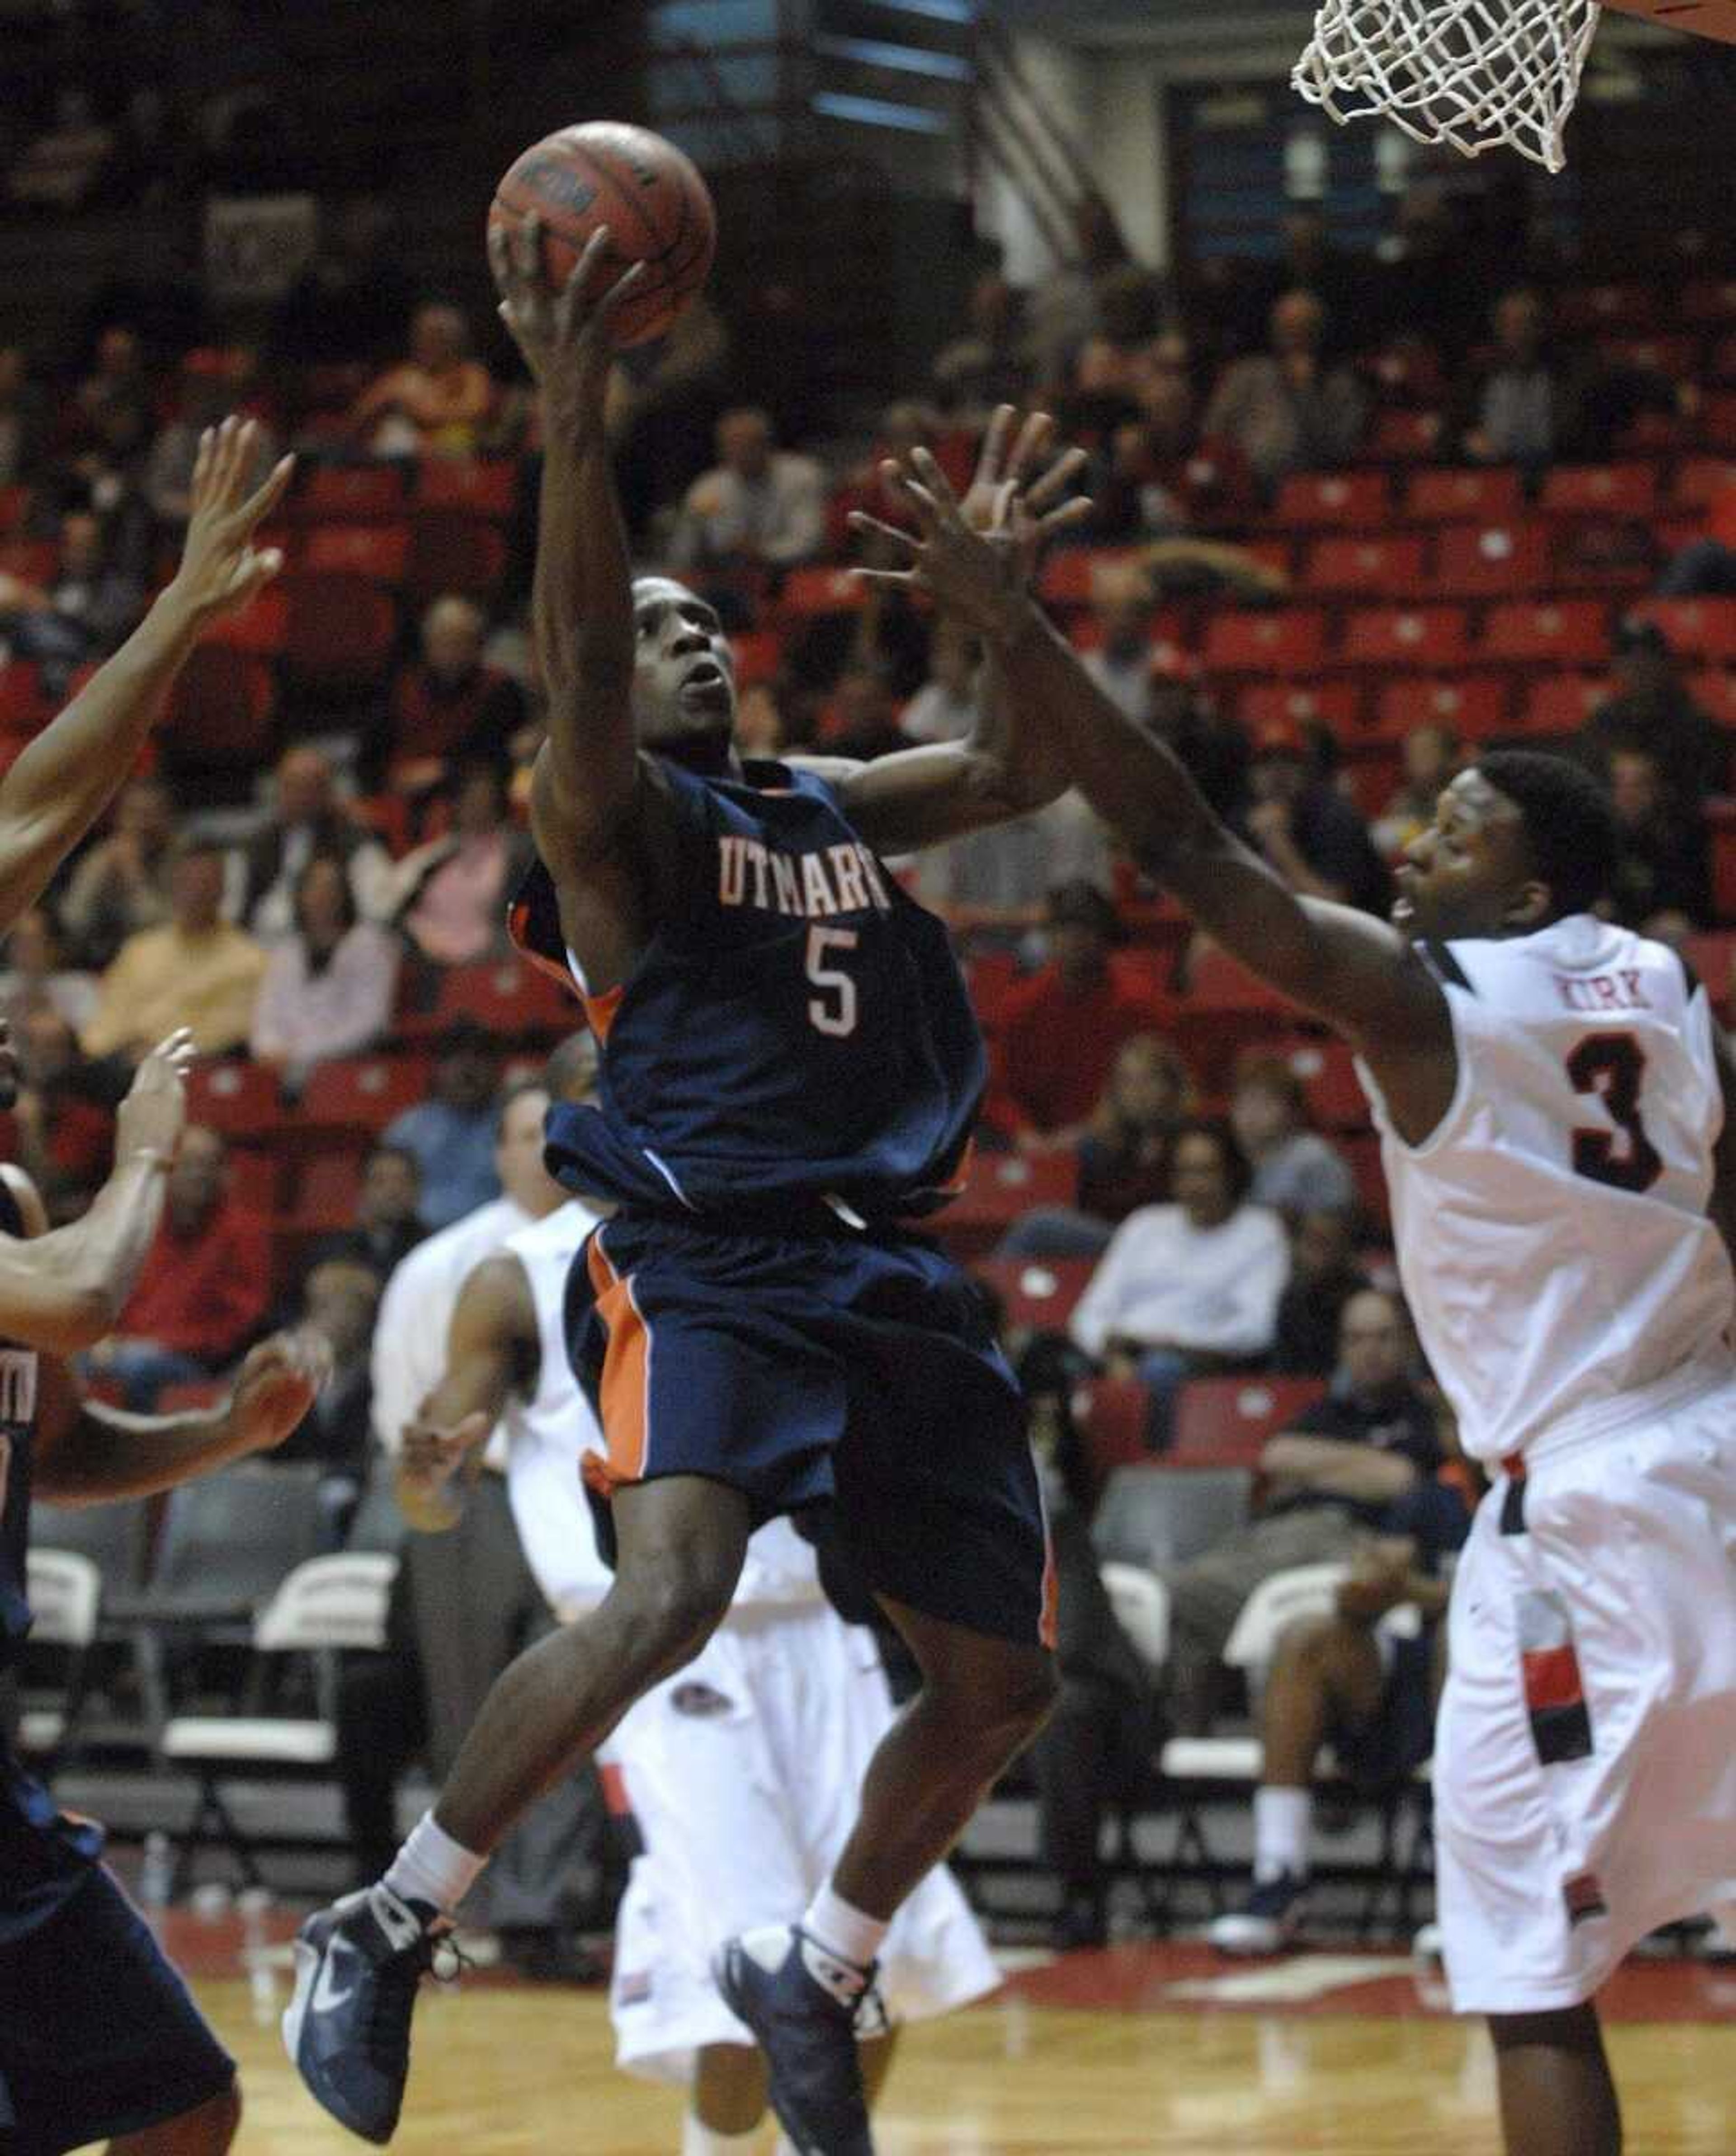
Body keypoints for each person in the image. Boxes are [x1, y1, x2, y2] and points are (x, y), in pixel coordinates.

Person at [283, 236, 1084, 2155]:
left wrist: (1005, 613)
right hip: (706, 1258)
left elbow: (1017, 766)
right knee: (675, 1587)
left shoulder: (819, 799)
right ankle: (394, 1911)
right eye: (655, 630)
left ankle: (816, 1957)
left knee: (998, 1680)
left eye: (704, 622)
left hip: (886, 1269)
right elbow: (569, 671)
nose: (692, 638)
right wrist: (572, 423)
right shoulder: (623, 830)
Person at [868, 451, 1736, 2156]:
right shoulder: (1669, 986)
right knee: (1550, 1943)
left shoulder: (1437, 1008)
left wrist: (1020, 626)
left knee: (1532, 1971)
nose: (1421, 842)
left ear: (1532, 882)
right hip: (1690, 1462)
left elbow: (1182, 841)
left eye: (1462, 825)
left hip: (1595, 1519)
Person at [390, 1194, 999, 2150]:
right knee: (736, 1951)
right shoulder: (519, 1274)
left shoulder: (779, 1228)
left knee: (872, 1948)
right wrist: (433, 1474)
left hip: (822, 1630)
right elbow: (430, 1493)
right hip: (659, 1649)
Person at [0, 1026, 326, 2156]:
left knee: (182, 2100)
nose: (11, 1027)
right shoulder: (54, 1246)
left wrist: (224, 1433)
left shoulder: (9, 1205)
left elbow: (55, 1450)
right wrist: (143, 1156)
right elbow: (93, 1291)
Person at [363, 1049, 614, 1984]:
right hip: (480, 1498)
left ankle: (544, 1907)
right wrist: (430, 1474)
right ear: (505, 1152)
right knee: (474, 1715)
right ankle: (455, 1901)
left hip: (587, 1498)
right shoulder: (457, 1262)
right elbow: (409, 1404)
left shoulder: (646, 1240)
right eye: (522, 1135)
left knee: (570, 1713)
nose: (540, 1149)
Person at [1207, 1539, 1452, 1955]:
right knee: (1305, 1639)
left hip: (1502, 1674)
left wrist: (1419, 1592)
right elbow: (1360, 1595)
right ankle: (1280, 1876)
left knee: (1464, 1631)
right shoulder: (1428, 1495)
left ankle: (1465, 1893)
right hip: (1395, 1674)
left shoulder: (1551, 1485)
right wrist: (1372, 1589)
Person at [1068, 1119, 1290, 1445]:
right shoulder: (1145, 1225)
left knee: (1161, 1368)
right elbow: (1088, 1315)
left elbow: (1257, 1328)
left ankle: (1148, 1473)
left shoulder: (1259, 1231)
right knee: (1046, 1361)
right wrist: (1110, 1355)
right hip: (1120, 1351)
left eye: (1206, 1171)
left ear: (1231, 1173)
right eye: (1185, 1172)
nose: (1195, 1184)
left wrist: (1174, 1343)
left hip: (1200, 1361)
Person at [84, 1124, 272, 1411]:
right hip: (130, 1350)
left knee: (139, 1367)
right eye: (187, 1164)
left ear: (224, 1174)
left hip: (200, 1366)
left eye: (207, 1165)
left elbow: (237, 1328)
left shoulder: (243, 1233)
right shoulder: (144, 1226)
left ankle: (146, 1454)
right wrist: (105, 1340)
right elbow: (113, 1301)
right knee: (71, 1360)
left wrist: (161, 1344)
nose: (197, 1174)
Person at [982, 882, 1171, 1149]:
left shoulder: (1138, 1003)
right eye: (1064, 928)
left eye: (1087, 929)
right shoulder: (1020, 1006)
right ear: (1050, 937)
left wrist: (1096, 1131)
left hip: (1117, 1138)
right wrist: (1025, 1134)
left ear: (1106, 937)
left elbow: (1163, 1082)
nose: (1075, 939)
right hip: (1035, 1144)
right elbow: (999, 1092)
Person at [81, 836, 268, 1065]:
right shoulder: (139, 950)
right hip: (124, 1063)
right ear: (173, 886)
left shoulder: (249, 960)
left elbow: (229, 1032)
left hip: (193, 1070)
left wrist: (159, 1053)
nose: (196, 891)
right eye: (187, 881)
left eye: (205, 883)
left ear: (222, 889)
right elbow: (109, 1021)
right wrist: (106, 1052)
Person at [249, 855, 400, 1090]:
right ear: (300, 895)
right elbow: (266, 1018)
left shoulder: (370, 945)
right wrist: (270, 1049)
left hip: (347, 1068)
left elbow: (370, 1021)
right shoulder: (286, 953)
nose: (322, 897)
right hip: (282, 1070)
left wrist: (304, 1054)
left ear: (345, 894)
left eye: (330, 888)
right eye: (314, 888)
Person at [1202, 290, 1367, 494]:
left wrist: (1305, 391)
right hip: (1245, 487)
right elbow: (1214, 431)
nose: (1295, 334)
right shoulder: (1245, 374)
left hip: (1312, 487)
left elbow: (1341, 448)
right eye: (1288, 326)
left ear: (1319, 331)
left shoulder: (1340, 383)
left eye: (1304, 326)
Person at [232, 745, 394, 943]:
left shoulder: (356, 844)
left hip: (324, 953)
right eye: (289, 786)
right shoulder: (258, 843)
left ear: (328, 792)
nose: (295, 796)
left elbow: (378, 913)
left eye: (307, 787)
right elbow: (231, 911)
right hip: (255, 949)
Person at [1245, 718, 1392, 917]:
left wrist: (1280, 845)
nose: (1276, 774)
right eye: (1265, 763)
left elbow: (1334, 911)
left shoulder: (1337, 818)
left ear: (1306, 771)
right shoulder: (1247, 817)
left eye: (1287, 761)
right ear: (1252, 775)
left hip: (1360, 939)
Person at [396, 762, 534, 969]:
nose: (477, 807)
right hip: (424, 953)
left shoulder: (517, 853)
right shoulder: (436, 854)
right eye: (471, 799)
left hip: (485, 962)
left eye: (485, 800)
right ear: (457, 804)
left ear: (497, 804)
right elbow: (397, 904)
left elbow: (521, 923)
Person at [667, 405, 827, 574]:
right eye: (731, 445)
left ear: (767, 444)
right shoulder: (707, 488)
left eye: (748, 445)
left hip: (789, 576)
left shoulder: (802, 477)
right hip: (726, 580)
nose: (739, 453)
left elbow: (809, 542)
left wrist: (761, 552)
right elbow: (683, 552)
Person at [380, 1018, 501, 1232]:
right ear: (437, 1068)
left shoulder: (512, 1126)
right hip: (419, 1242)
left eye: (479, 1057)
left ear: (496, 1068)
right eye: (455, 1058)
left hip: (496, 1240)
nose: (467, 1069)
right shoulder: (408, 1131)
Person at [60, 774, 177, 970]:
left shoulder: (182, 858)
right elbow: (73, 922)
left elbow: (164, 932)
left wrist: (134, 878)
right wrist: (97, 873)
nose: (143, 825)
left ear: (168, 818)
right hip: (106, 967)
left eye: (151, 814)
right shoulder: (102, 857)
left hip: (166, 967)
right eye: (134, 814)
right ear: (119, 818)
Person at [351, 301, 495, 457]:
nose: (426, 344)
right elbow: (360, 414)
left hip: (459, 455)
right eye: (421, 336)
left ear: (455, 341)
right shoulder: (405, 376)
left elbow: (477, 409)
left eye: (436, 337)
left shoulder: (472, 374)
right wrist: (385, 404)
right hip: (407, 457)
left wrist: (428, 412)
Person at [1228, 1051, 1356, 1218]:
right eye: (1243, 1102)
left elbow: (1338, 1225)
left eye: (1265, 1103)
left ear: (1293, 1112)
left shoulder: (1313, 1157)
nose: (1252, 1114)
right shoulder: (1226, 1155)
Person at [305, 1142, 425, 1284]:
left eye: (402, 1181)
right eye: (380, 1182)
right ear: (363, 1190)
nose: (392, 1191)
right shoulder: (332, 1250)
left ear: (417, 1190)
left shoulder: (433, 1249)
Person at [1269, 1207, 1366, 1379]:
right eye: (1313, 1243)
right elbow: (1284, 1367)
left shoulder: (1362, 1298)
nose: (1319, 1253)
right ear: (1297, 1247)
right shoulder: (1291, 1299)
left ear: (1345, 1247)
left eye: (1327, 1242)